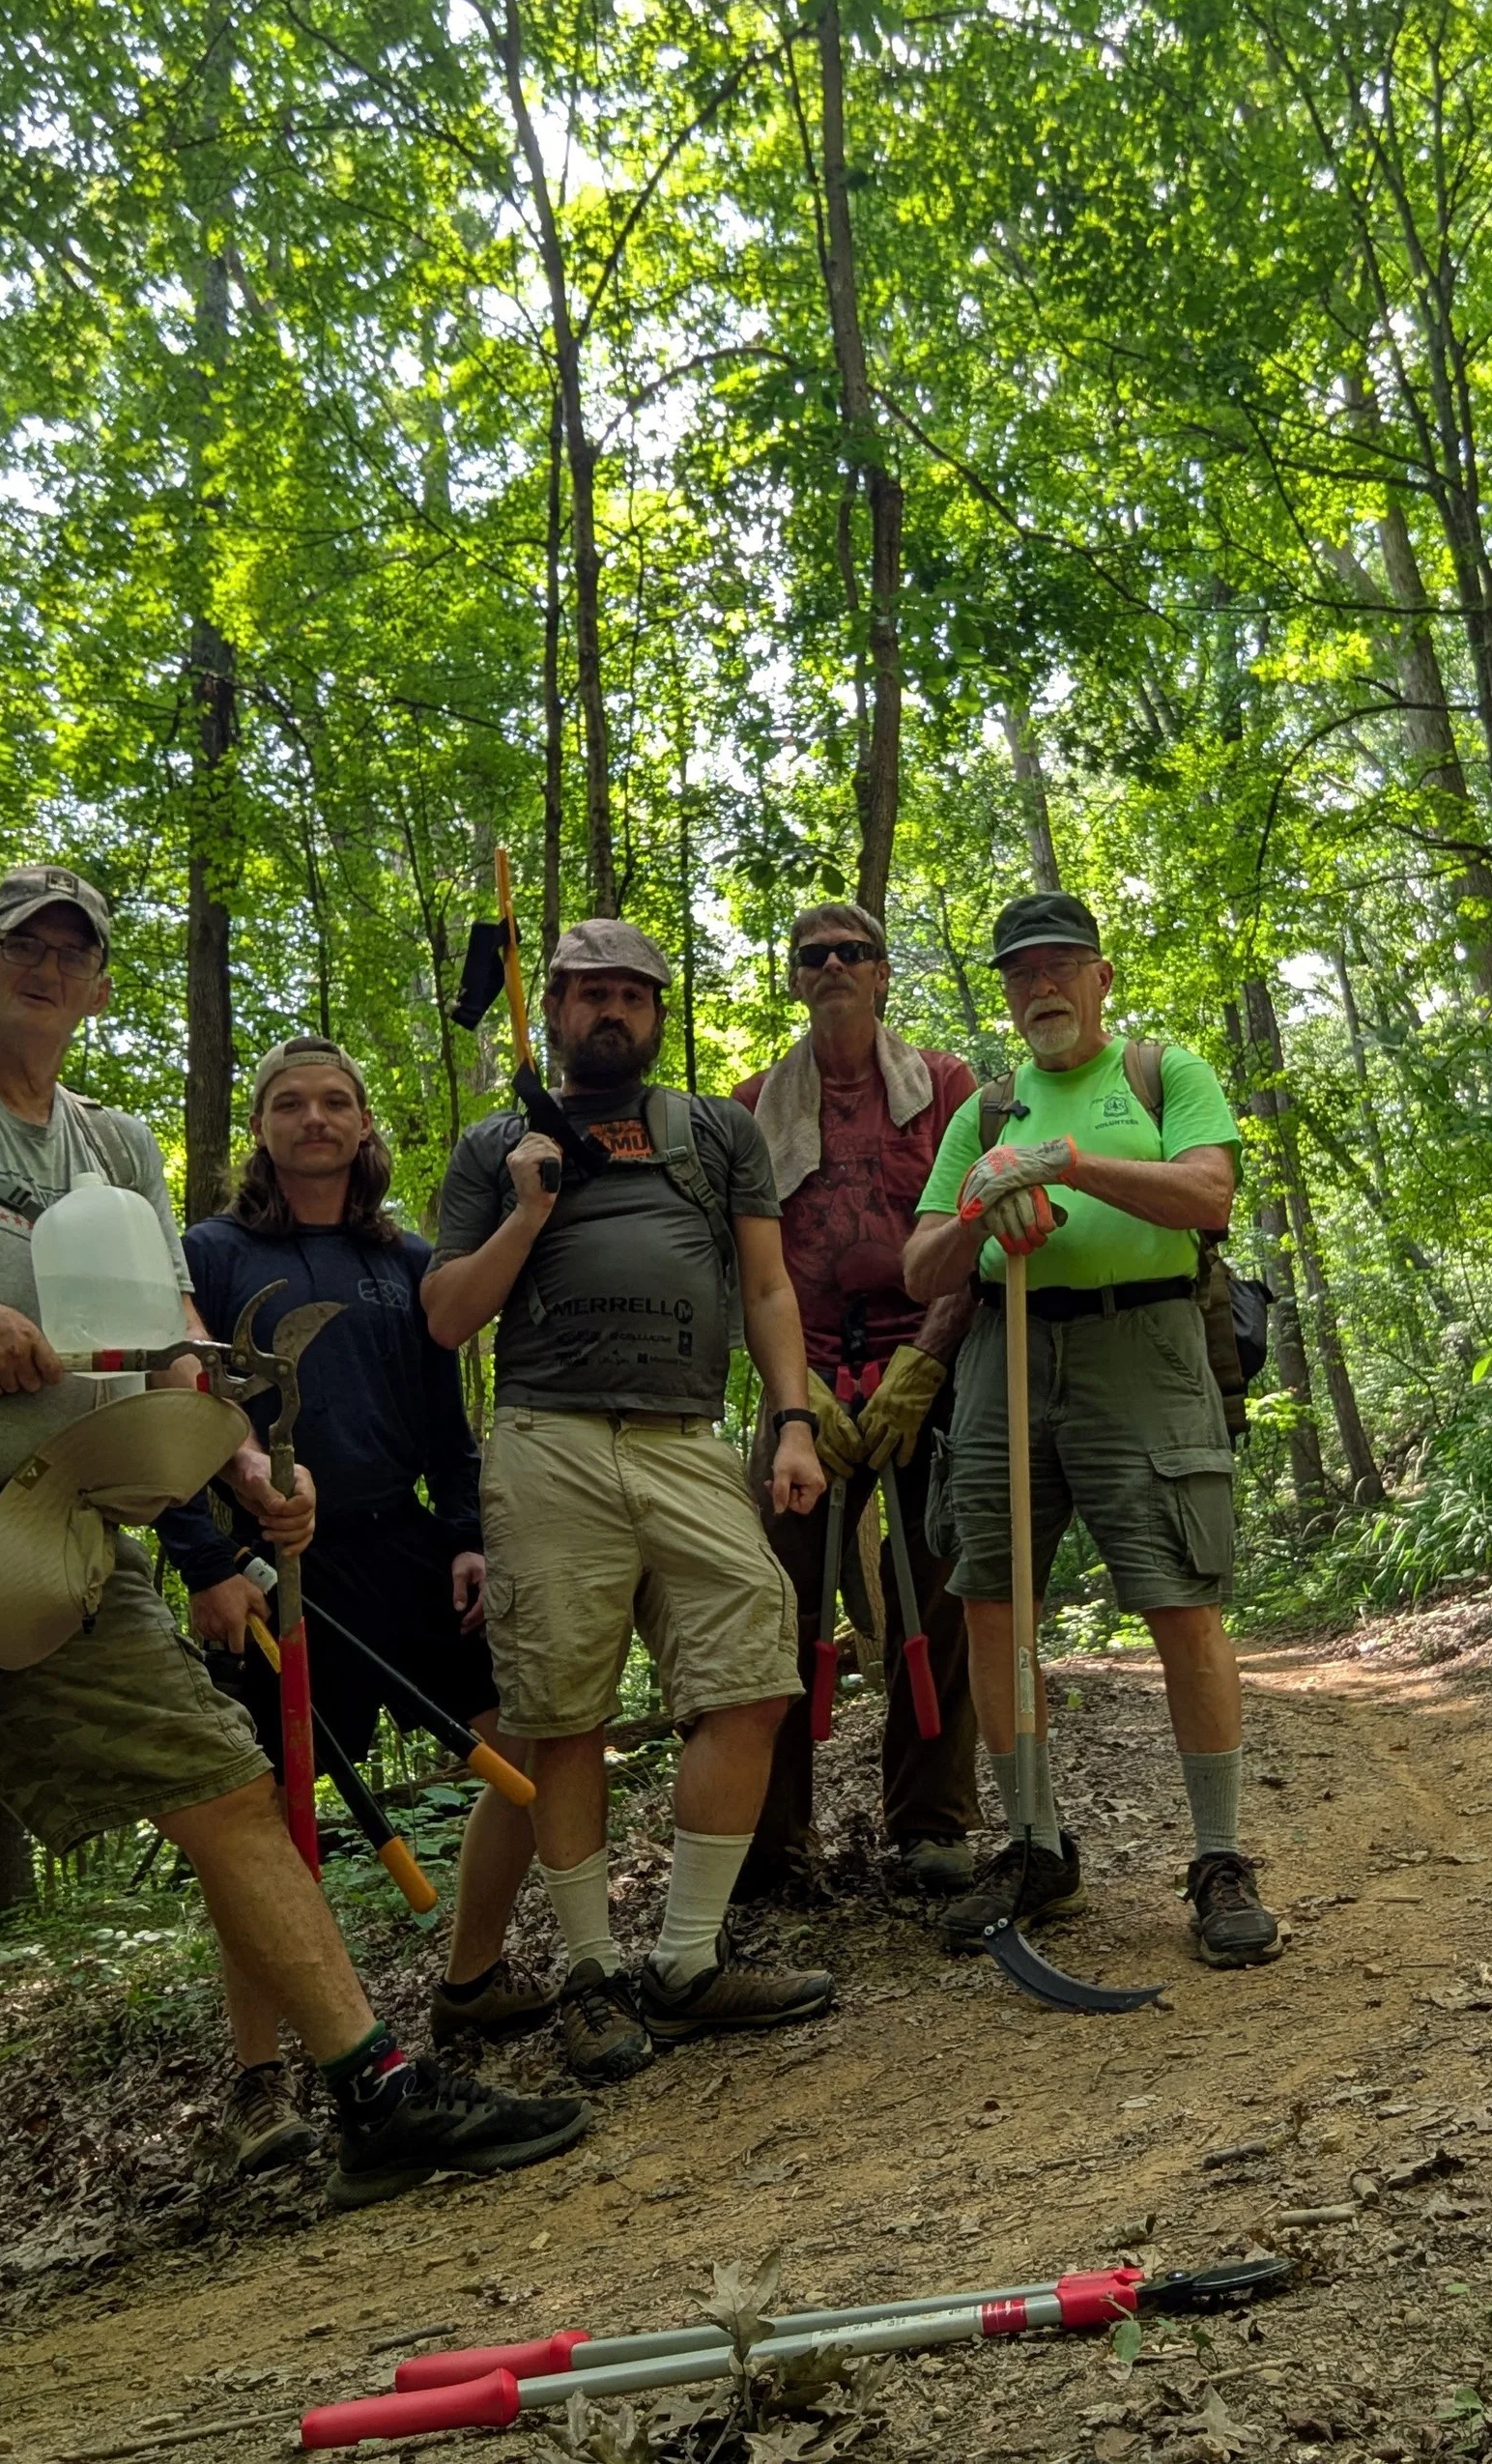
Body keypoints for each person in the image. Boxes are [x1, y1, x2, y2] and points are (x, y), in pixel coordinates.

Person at [0, 868, 588, 2390]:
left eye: (75, 952)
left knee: (226, 1785)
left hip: (67, 1520)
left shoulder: (113, 1146)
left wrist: (238, 1473)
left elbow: (166, 1356)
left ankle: (376, 2098)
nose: (48, 968)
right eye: (23, 945)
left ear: (101, 987)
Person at [423, 918, 836, 2085]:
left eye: (631, 996)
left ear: (658, 1014)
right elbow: (448, 1316)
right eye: (586, 993)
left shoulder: (715, 1131)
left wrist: (791, 1419)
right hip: (546, 1438)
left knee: (754, 1672)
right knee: (560, 1711)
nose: (609, 1011)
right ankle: (594, 1976)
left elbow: (764, 1284)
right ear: (549, 1010)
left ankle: (688, 1962)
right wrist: (527, 1207)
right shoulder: (495, 1143)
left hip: (687, 1438)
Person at [156, 1038, 553, 2176]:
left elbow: (444, 1420)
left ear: (364, 1123)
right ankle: (260, 2079)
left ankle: (470, 1979)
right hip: (266, 1567)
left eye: (335, 1101)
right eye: (290, 1102)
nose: (314, 1118)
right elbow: (169, 1416)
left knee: (513, 1741)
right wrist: (200, 1560)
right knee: (268, 1825)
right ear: (262, 1128)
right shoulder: (210, 1254)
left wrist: (467, 1532)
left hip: (400, 1548)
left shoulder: (407, 1258)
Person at [901, 889, 1279, 1968]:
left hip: (1144, 1351)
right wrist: (980, 1199)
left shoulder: (1164, 1073)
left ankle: (1218, 1857)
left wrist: (1065, 1163)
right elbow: (920, 1263)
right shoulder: (981, 1111)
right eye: (1021, 973)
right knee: (989, 1599)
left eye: (1061, 965)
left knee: (1178, 1595)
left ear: (1101, 976)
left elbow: (1206, 1196)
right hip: (1002, 1361)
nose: (1041, 987)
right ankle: (1033, 1843)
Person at [731, 902, 984, 1899]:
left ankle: (929, 1824)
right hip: (804, 1389)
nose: (833, 965)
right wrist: (791, 1400)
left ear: (883, 973)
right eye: (814, 955)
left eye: (854, 952)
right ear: (793, 978)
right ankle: (773, 1836)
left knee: (942, 1592)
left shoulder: (946, 1088)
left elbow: (969, 1231)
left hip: (931, 1365)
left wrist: (923, 1365)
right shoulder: (752, 1102)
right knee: (773, 1606)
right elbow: (751, 1268)